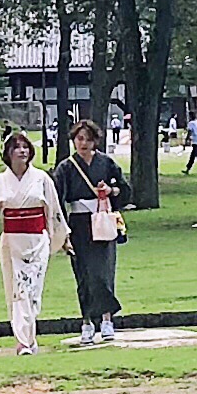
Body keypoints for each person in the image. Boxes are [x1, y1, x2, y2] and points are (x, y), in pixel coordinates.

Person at [0, 131, 70, 356]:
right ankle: (24, 341)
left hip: (37, 240)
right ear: (8, 153)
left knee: (32, 290)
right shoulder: (0, 181)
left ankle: (28, 337)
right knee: (17, 290)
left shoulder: (42, 179)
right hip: (12, 242)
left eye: (25, 147)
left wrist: (62, 237)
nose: (21, 151)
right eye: (16, 147)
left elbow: (54, 210)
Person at [53, 119, 132, 348]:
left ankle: (107, 319)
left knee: (103, 273)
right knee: (84, 275)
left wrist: (110, 190)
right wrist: (62, 231)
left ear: (96, 141)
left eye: (88, 139)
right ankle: (87, 321)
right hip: (78, 224)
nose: (83, 143)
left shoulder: (106, 163)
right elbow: (58, 198)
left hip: (102, 223)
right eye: (79, 139)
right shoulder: (66, 167)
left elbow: (124, 190)